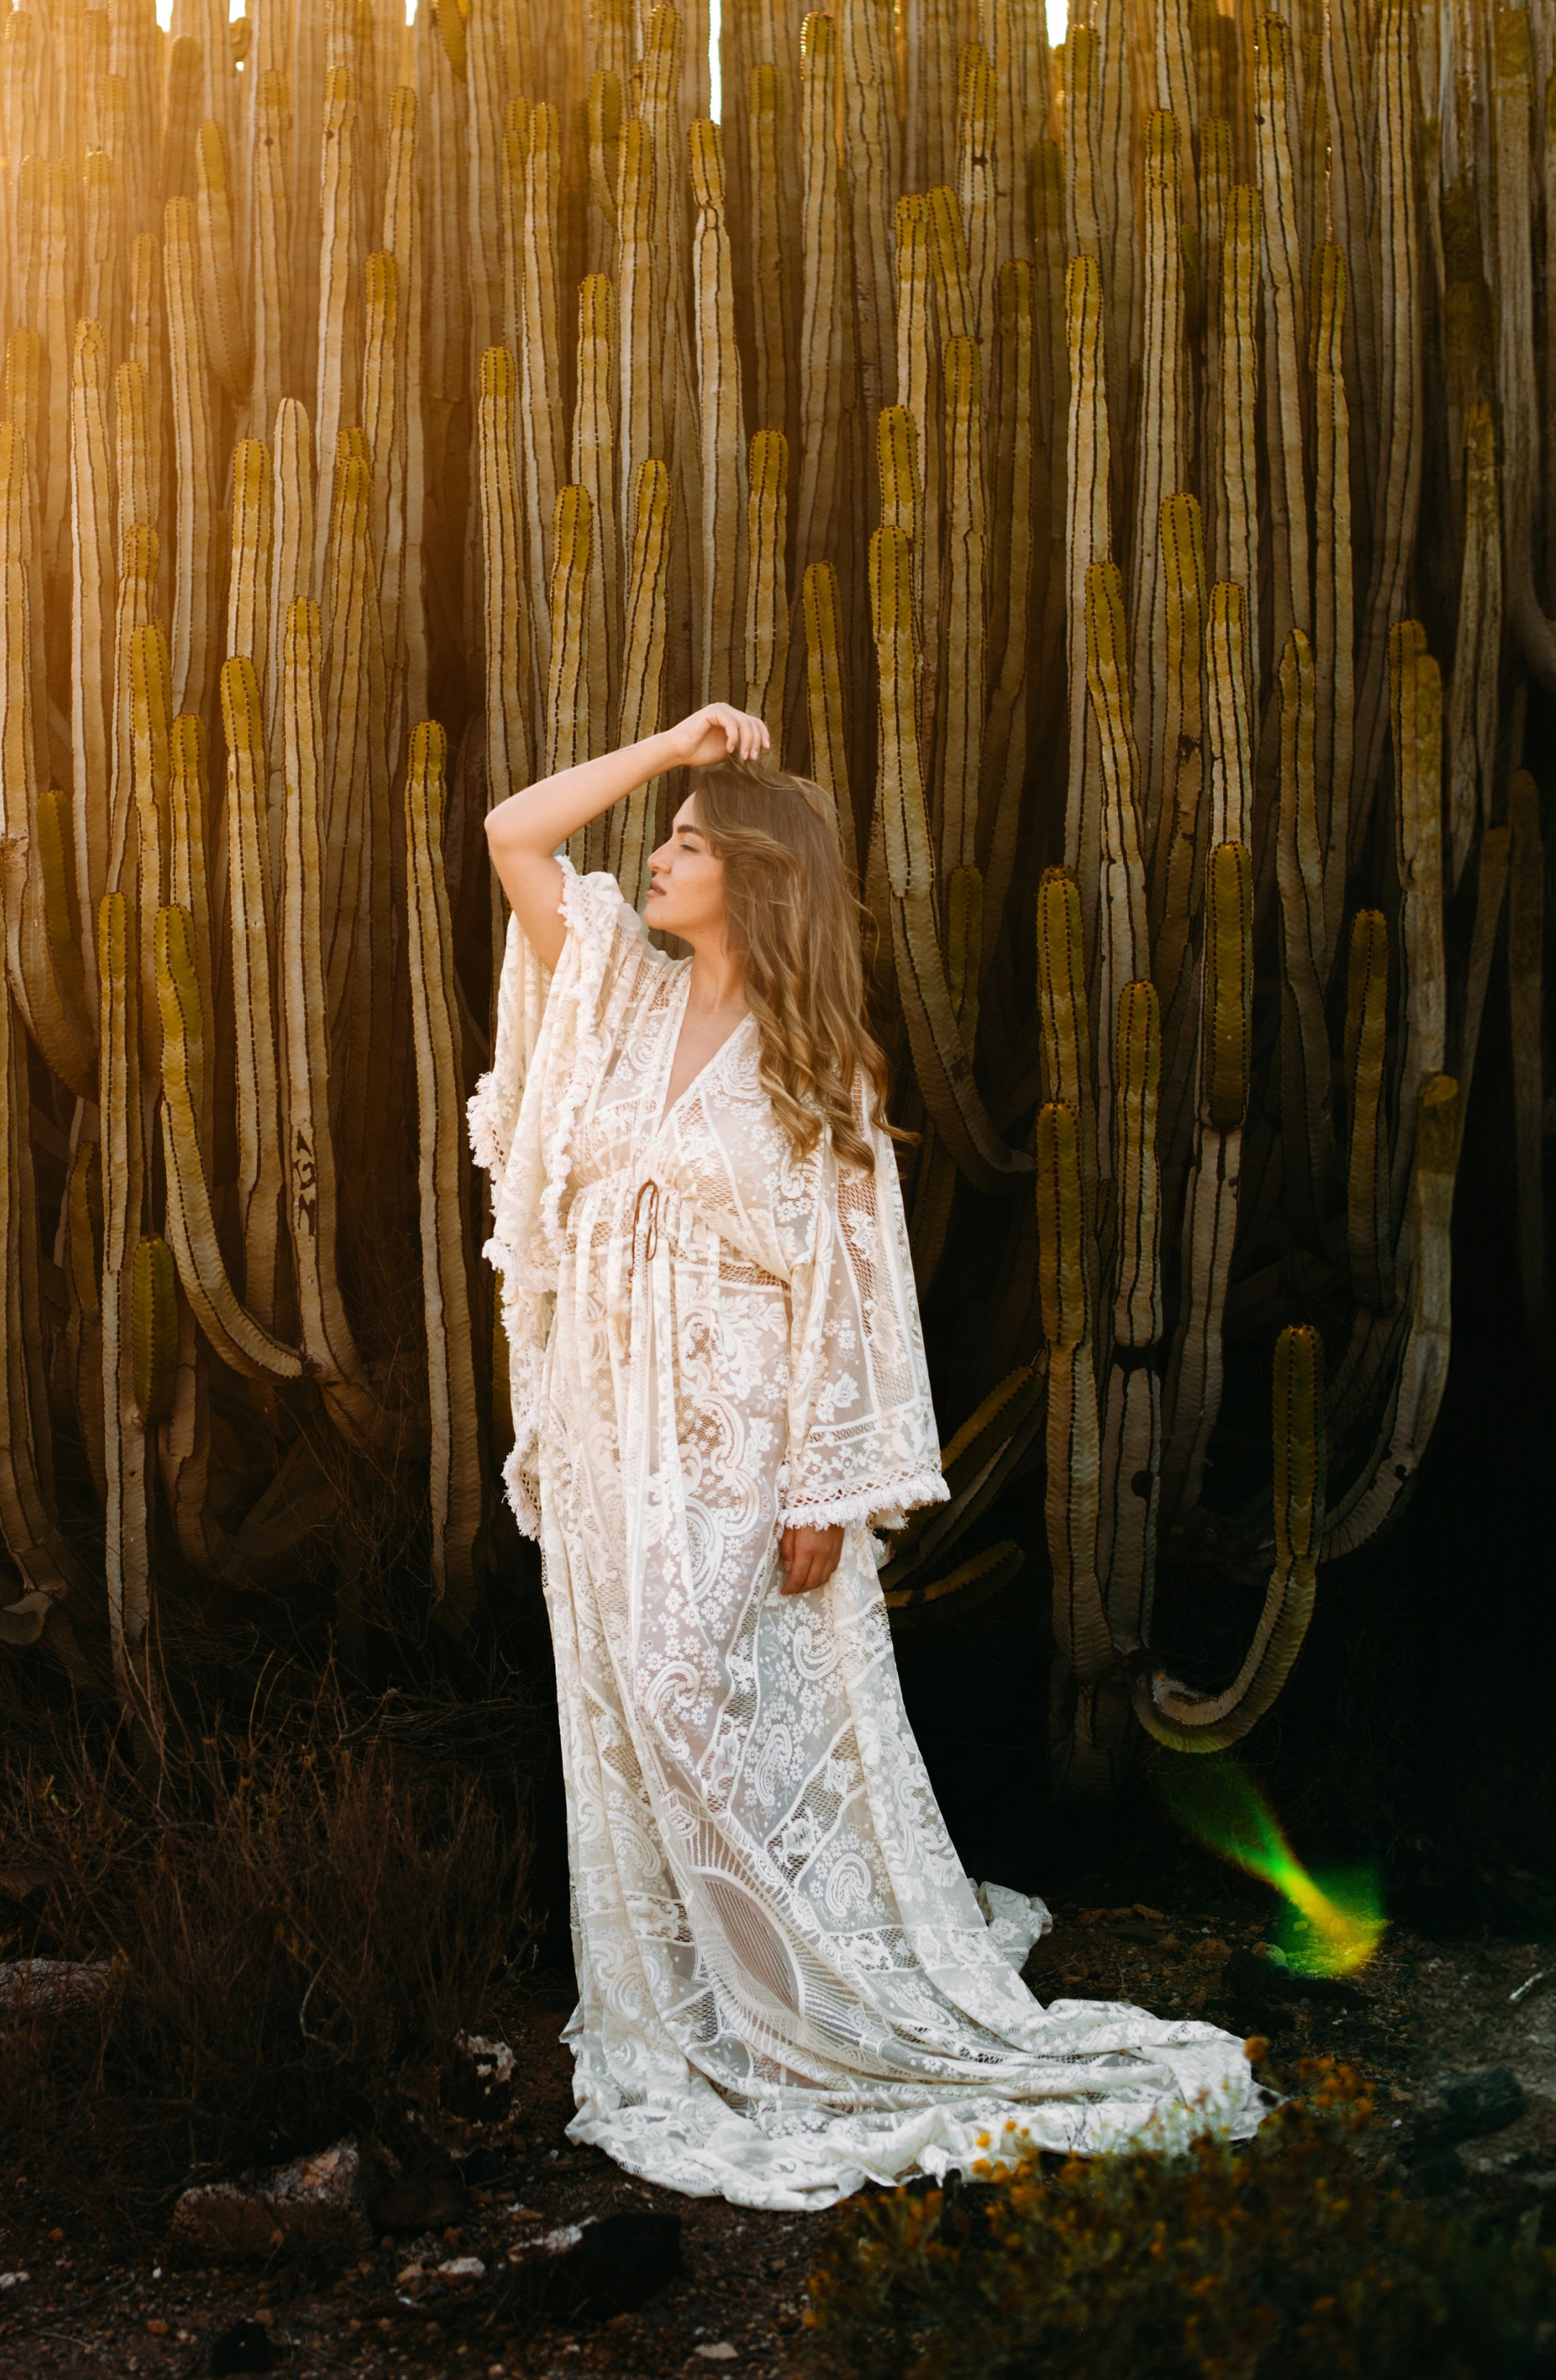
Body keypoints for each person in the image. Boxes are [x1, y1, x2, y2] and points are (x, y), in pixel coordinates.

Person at [470, 701, 1262, 2211]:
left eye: (692, 844)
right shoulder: (620, 1002)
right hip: (601, 1431)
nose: (658, 857)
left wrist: (822, 1487)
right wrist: (671, 749)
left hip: (730, 1435)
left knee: (708, 1706)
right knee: (629, 1715)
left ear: (757, 882)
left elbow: (851, 1298)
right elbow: (517, 834)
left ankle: (809, 2015)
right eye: (667, 835)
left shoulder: (817, 1069)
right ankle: (694, 1999)